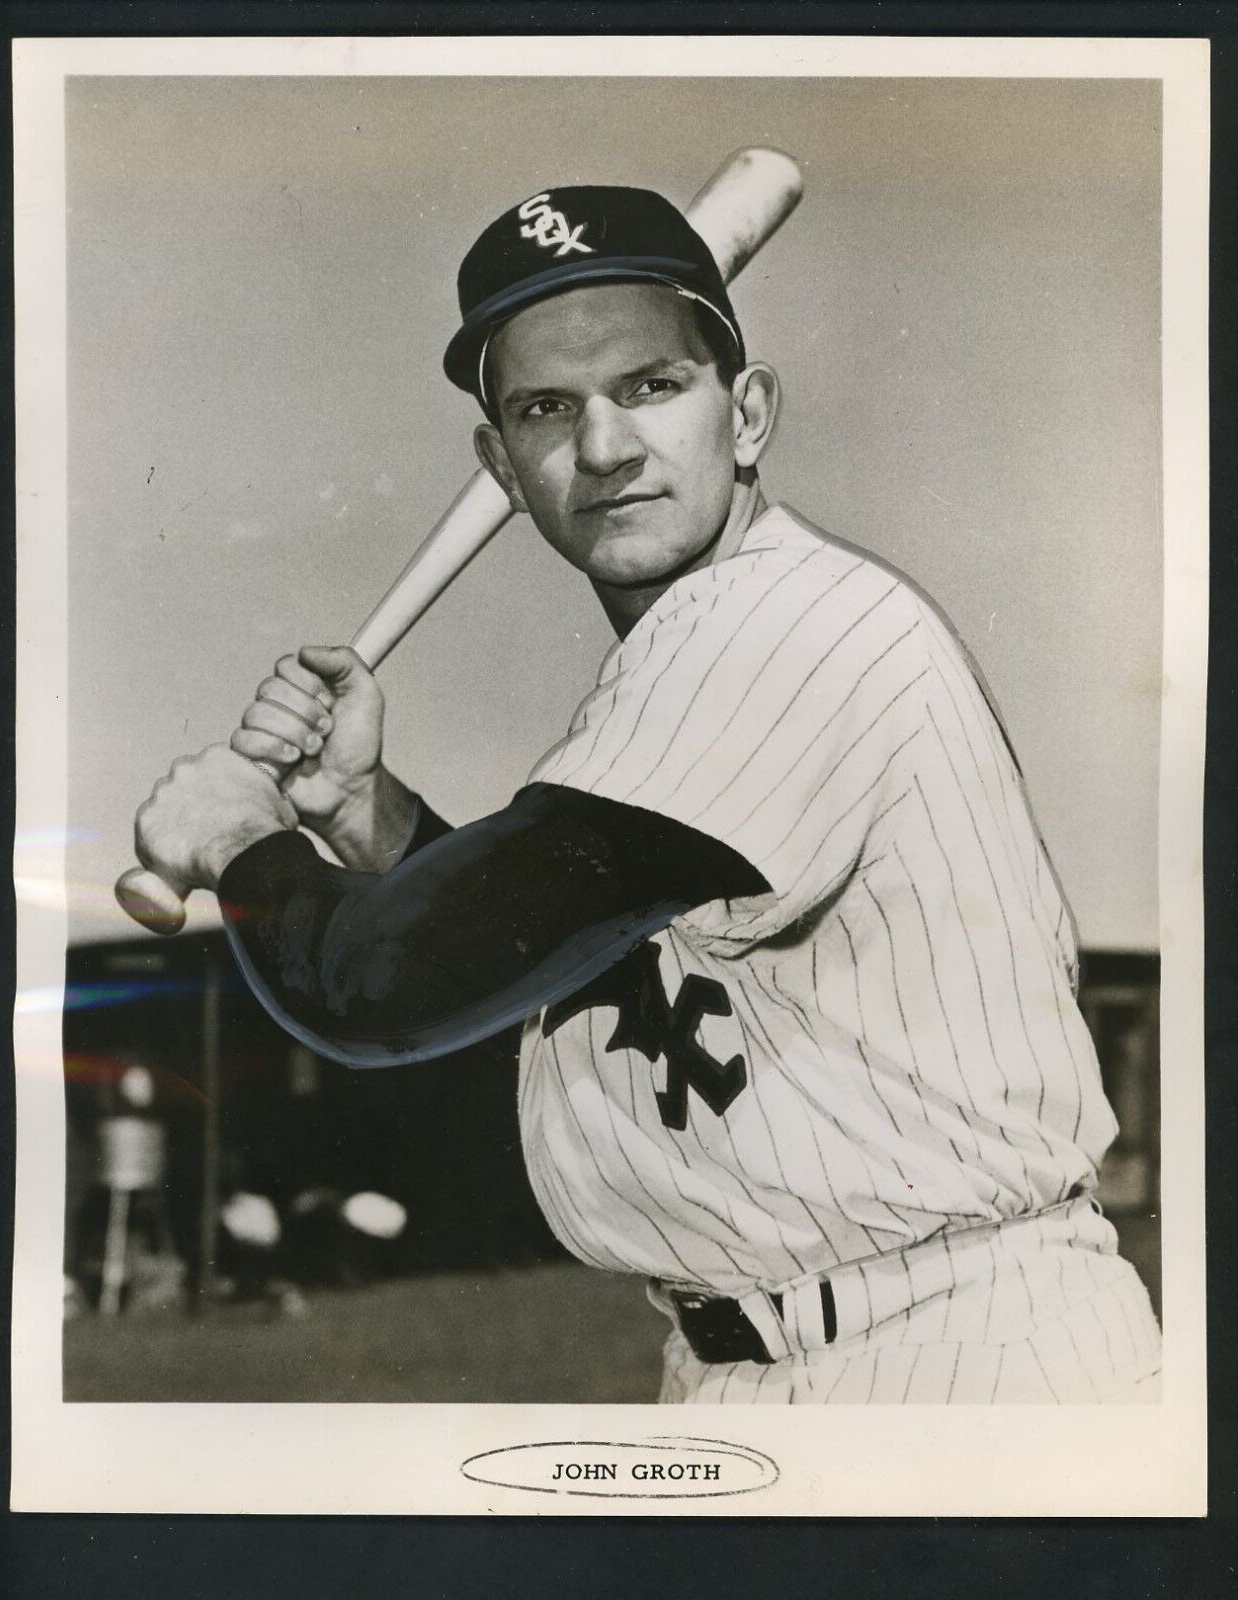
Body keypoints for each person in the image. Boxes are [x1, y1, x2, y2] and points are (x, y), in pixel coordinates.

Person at [133, 183, 1162, 1403]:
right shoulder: (683, 666)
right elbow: (586, 966)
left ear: (749, 414)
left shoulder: (786, 625)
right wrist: (366, 817)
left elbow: (383, 988)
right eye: (547, 408)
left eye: (651, 387)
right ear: (502, 465)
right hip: (761, 1360)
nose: (604, 446)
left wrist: (240, 839)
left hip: (953, 1354)